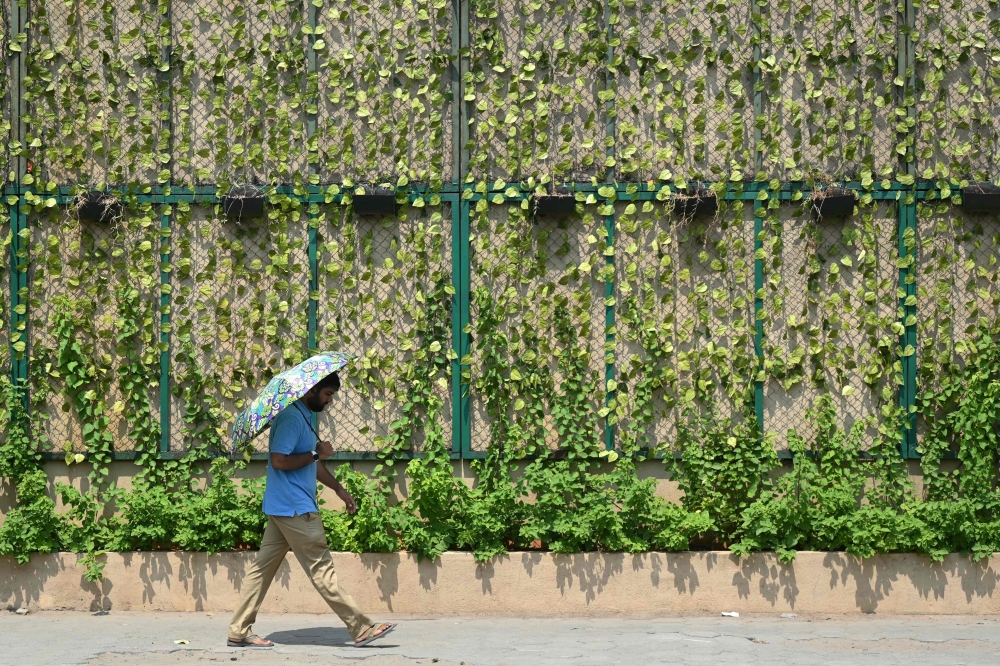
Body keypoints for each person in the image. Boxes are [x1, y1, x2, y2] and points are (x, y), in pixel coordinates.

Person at [227, 371, 396, 648]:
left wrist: (338, 489)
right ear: (311, 390)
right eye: (327, 394)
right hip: (295, 508)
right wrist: (318, 453)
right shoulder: (292, 419)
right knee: (321, 567)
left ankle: (238, 629)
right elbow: (280, 461)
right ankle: (362, 627)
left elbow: (309, 462)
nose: (329, 400)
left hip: (283, 507)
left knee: (261, 570)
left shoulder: (304, 415)